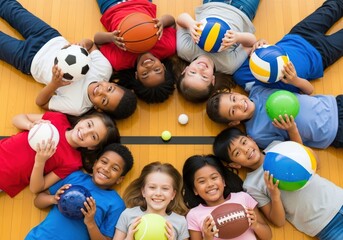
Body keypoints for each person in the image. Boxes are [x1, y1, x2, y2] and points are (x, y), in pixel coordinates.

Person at [0, 0, 137, 119]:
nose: (101, 91)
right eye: (110, 89)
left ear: (98, 108)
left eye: (104, 100)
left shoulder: (77, 106)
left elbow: (41, 103)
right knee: (11, 8)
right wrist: (82, 45)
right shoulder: (104, 69)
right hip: (49, 37)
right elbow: (91, 45)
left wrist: (54, 84)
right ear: (114, 84)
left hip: (29, 60)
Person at [213, 127, 343, 239]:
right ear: (235, 164)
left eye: (244, 142)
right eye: (237, 153)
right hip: (325, 226)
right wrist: (275, 195)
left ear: (251, 139)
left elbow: (316, 164)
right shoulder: (251, 185)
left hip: (339, 199)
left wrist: (293, 131)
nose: (245, 150)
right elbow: (278, 221)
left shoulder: (276, 147)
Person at [25, 143, 134, 240]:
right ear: (95, 163)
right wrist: (53, 199)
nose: (106, 169)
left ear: (120, 179)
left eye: (115, 168)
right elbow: (37, 201)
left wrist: (90, 223)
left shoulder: (116, 204)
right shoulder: (74, 177)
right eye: (104, 162)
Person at [0, 111, 120, 198]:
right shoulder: (58, 119)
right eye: (89, 124)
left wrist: (40, 161)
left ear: (92, 147)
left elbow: (36, 188)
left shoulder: (73, 161)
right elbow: (17, 118)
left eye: (93, 136)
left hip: (3, 179)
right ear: (82, 119)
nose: (85, 132)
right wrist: (30, 125)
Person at [233, 0, 343, 94]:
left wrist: (260, 43)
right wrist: (295, 80)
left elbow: (253, 44)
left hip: (299, 35)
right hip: (321, 55)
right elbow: (309, 90)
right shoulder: (276, 91)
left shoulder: (241, 73)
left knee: (332, 7)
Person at [206, 83, 343, 149]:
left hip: (334, 103)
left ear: (235, 93)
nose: (240, 105)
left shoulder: (258, 89)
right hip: (333, 132)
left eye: (234, 99)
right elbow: (297, 151)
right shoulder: (257, 134)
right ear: (234, 122)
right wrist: (291, 129)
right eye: (233, 111)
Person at [175, 0, 260, 102]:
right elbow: (251, 43)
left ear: (185, 70)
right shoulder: (228, 65)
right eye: (204, 76)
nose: (200, 69)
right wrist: (237, 37)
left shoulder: (185, 50)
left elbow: (180, 19)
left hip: (213, 3)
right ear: (213, 80)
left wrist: (190, 24)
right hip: (243, 9)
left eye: (193, 72)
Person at [94, 0, 176, 103]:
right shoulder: (167, 47)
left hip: (111, 6)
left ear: (136, 75)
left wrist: (111, 37)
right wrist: (162, 22)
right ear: (163, 67)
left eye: (145, 74)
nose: (149, 66)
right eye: (157, 70)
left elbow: (97, 41)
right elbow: (172, 22)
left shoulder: (120, 61)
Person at [182, 154, 272, 240]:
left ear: (223, 181)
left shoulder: (243, 198)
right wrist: (207, 238)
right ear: (195, 190)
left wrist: (255, 225)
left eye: (214, 178)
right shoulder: (194, 215)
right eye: (202, 181)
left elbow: (268, 236)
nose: (210, 184)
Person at [112, 162, 189, 240]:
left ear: (173, 194)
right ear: (143, 191)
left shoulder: (180, 222)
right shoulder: (128, 215)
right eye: (152, 187)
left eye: (165, 188)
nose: (158, 193)